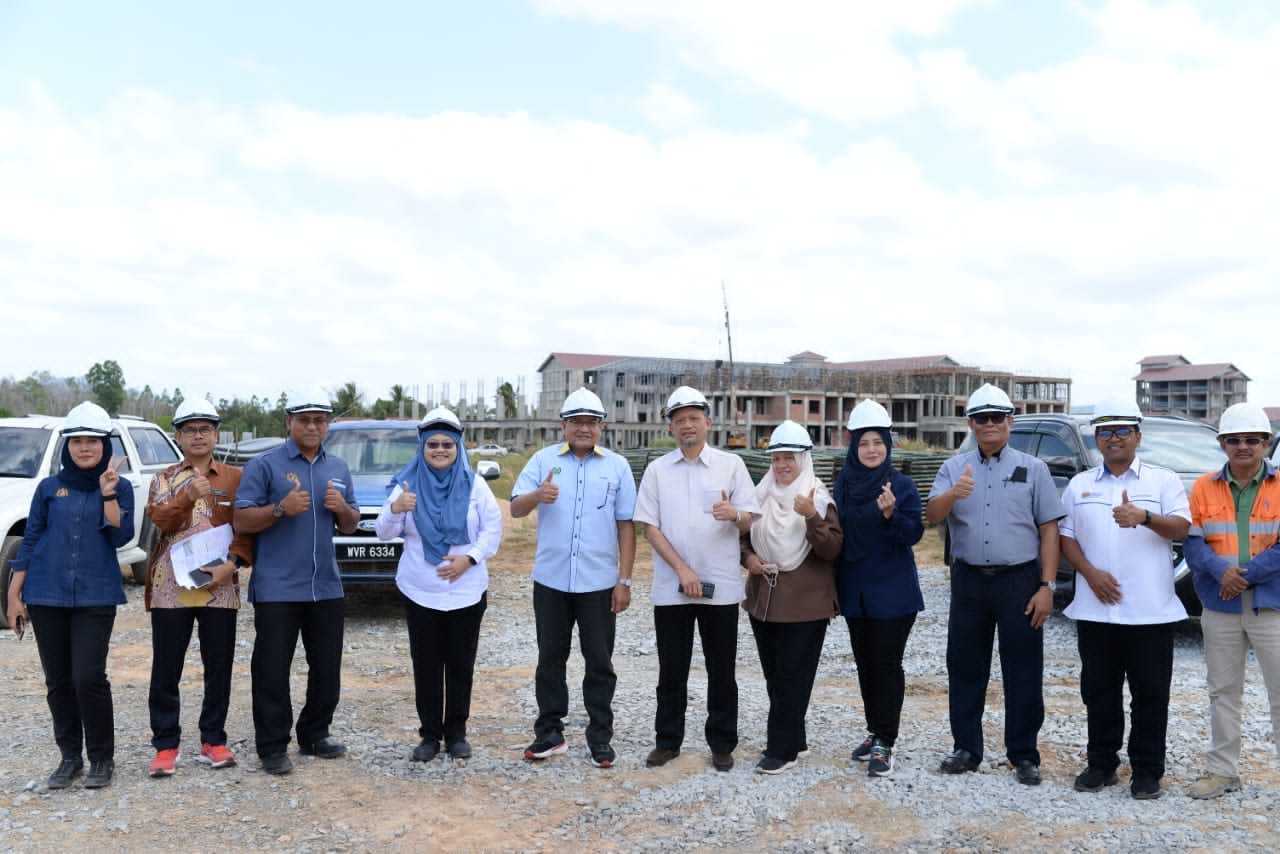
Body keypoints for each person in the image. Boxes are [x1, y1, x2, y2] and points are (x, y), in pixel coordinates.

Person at [925, 383, 1064, 785]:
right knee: (965, 665)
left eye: (997, 417)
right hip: (969, 580)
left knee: (1023, 668)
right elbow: (932, 515)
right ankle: (966, 748)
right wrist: (954, 494)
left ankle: (1023, 754)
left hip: (1019, 580)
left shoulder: (1033, 469)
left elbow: (1049, 529)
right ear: (971, 424)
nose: (989, 424)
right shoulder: (954, 468)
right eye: (981, 418)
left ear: (1010, 422)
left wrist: (1047, 586)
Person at [1059, 397, 1190, 800]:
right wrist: (1090, 573)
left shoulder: (1162, 481)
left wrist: (1145, 517)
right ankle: (1101, 764)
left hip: (1150, 612)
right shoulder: (1080, 485)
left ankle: (1147, 771)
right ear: (1096, 438)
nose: (1113, 438)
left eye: (1121, 430)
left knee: (1150, 695)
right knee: (1099, 693)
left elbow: (1182, 528)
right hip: (1096, 610)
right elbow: (1066, 538)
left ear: (1137, 436)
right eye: (1105, 431)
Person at [6, 401, 134, 790]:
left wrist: (108, 495)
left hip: (96, 596)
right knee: (58, 681)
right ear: (67, 445)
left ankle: (102, 758)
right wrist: (14, 594)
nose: (84, 448)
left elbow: (120, 537)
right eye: (77, 441)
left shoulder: (120, 486)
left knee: (88, 678)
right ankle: (70, 758)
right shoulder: (48, 488)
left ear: (105, 445)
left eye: (92, 441)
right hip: (46, 595)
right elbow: (30, 539)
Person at [233, 387, 360, 776]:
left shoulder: (338, 467)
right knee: (272, 670)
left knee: (326, 668)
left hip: (326, 586)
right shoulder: (264, 465)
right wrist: (279, 509)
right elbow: (241, 520)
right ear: (289, 422)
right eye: (304, 420)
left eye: (319, 420)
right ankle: (273, 745)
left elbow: (351, 524)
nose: (312, 426)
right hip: (278, 587)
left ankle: (315, 734)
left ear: (328, 425)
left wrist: (342, 509)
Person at [633, 385, 759, 772]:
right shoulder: (658, 470)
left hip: (720, 587)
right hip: (672, 588)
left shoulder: (731, 465)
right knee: (672, 669)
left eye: (693, 418)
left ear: (708, 422)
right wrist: (682, 570)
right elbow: (649, 527)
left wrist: (733, 514)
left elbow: (750, 517)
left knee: (722, 670)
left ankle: (721, 744)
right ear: (670, 427)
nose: (687, 425)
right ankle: (667, 742)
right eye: (679, 420)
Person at [511, 388, 637, 768]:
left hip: (599, 583)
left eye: (591, 422)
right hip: (551, 580)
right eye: (576, 422)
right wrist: (538, 495)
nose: (584, 428)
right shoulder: (543, 460)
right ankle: (550, 732)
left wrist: (625, 581)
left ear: (602, 427)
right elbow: (516, 508)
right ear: (563, 425)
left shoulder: (617, 467)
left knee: (599, 661)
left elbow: (626, 525)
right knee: (551, 658)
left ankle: (600, 737)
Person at [375, 407, 501, 762]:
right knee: (426, 666)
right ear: (423, 447)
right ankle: (429, 736)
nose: (440, 450)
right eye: (433, 444)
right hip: (420, 590)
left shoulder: (475, 485)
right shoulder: (406, 486)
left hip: (467, 590)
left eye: (448, 444)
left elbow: (493, 530)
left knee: (461, 665)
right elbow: (383, 532)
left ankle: (457, 734)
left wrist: (468, 559)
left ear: (458, 447)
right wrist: (397, 508)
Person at [143, 398, 255, 777]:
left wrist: (233, 565)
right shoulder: (162, 479)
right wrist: (186, 496)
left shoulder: (236, 478)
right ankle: (165, 745)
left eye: (205, 429)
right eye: (189, 429)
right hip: (170, 587)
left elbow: (245, 529)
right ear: (177, 436)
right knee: (166, 667)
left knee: (218, 665)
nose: (197, 436)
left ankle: (213, 740)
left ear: (216, 434)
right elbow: (160, 519)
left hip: (218, 585)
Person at [1184, 402, 1280, 799]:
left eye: (1252, 440)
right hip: (1220, 603)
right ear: (1222, 444)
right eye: (1234, 440)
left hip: (1270, 605)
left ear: (1266, 443)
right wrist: (1221, 573)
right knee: (1223, 690)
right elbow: (1193, 543)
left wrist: (1243, 577)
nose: (1243, 446)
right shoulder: (1203, 487)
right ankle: (1222, 771)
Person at [740, 420, 841, 775]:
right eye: (777, 458)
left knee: (792, 677)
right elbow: (743, 538)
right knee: (774, 675)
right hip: (764, 601)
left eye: (789, 458)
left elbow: (831, 549)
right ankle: (795, 739)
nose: (782, 465)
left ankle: (780, 750)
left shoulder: (818, 498)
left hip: (805, 604)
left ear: (804, 460)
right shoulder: (761, 495)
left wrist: (811, 517)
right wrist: (749, 559)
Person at [834, 400, 924, 778]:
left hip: (893, 594)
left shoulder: (901, 485)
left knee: (886, 666)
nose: (871, 450)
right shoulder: (844, 484)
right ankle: (874, 731)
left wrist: (891, 514)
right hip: (856, 593)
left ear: (888, 444)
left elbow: (914, 533)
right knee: (866, 666)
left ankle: (886, 740)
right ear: (853, 447)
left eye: (878, 442)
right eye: (864, 443)